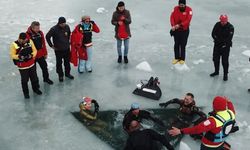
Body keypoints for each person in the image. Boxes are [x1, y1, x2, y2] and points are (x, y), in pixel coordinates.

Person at [168, 96, 237, 150]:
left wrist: (180, 131)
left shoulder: (213, 121)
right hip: (221, 142)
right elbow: (231, 107)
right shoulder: (231, 113)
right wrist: (229, 102)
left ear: (214, 106)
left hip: (209, 146)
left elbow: (197, 129)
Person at [10, 32, 42, 99]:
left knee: (34, 78)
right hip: (22, 67)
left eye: (26, 39)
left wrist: (31, 55)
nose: (26, 41)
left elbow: (35, 50)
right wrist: (19, 57)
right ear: (20, 39)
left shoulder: (30, 41)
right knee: (24, 80)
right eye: (24, 40)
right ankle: (26, 93)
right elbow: (12, 55)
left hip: (31, 64)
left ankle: (36, 89)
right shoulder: (14, 45)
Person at [46, 17, 74, 82]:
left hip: (66, 48)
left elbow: (69, 34)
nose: (63, 25)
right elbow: (47, 37)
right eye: (62, 24)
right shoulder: (53, 29)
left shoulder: (67, 27)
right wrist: (51, 45)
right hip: (58, 50)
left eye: (64, 23)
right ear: (59, 23)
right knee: (59, 63)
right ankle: (60, 75)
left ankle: (67, 74)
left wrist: (68, 41)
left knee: (67, 62)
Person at [210, 15, 234, 81]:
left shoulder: (231, 27)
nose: (223, 22)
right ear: (220, 20)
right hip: (217, 45)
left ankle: (225, 74)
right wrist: (217, 40)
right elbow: (213, 34)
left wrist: (222, 42)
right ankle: (216, 71)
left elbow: (229, 38)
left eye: (224, 21)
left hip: (225, 47)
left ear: (227, 20)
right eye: (222, 21)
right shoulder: (217, 25)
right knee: (215, 59)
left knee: (225, 61)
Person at [170, 0, 192, 65]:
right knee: (176, 44)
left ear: (185, 5)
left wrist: (180, 25)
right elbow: (171, 17)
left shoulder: (189, 10)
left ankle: (182, 59)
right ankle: (176, 58)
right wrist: (173, 25)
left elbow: (188, 20)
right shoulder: (175, 9)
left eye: (182, 5)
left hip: (184, 30)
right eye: (180, 5)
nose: (181, 6)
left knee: (182, 45)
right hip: (176, 30)